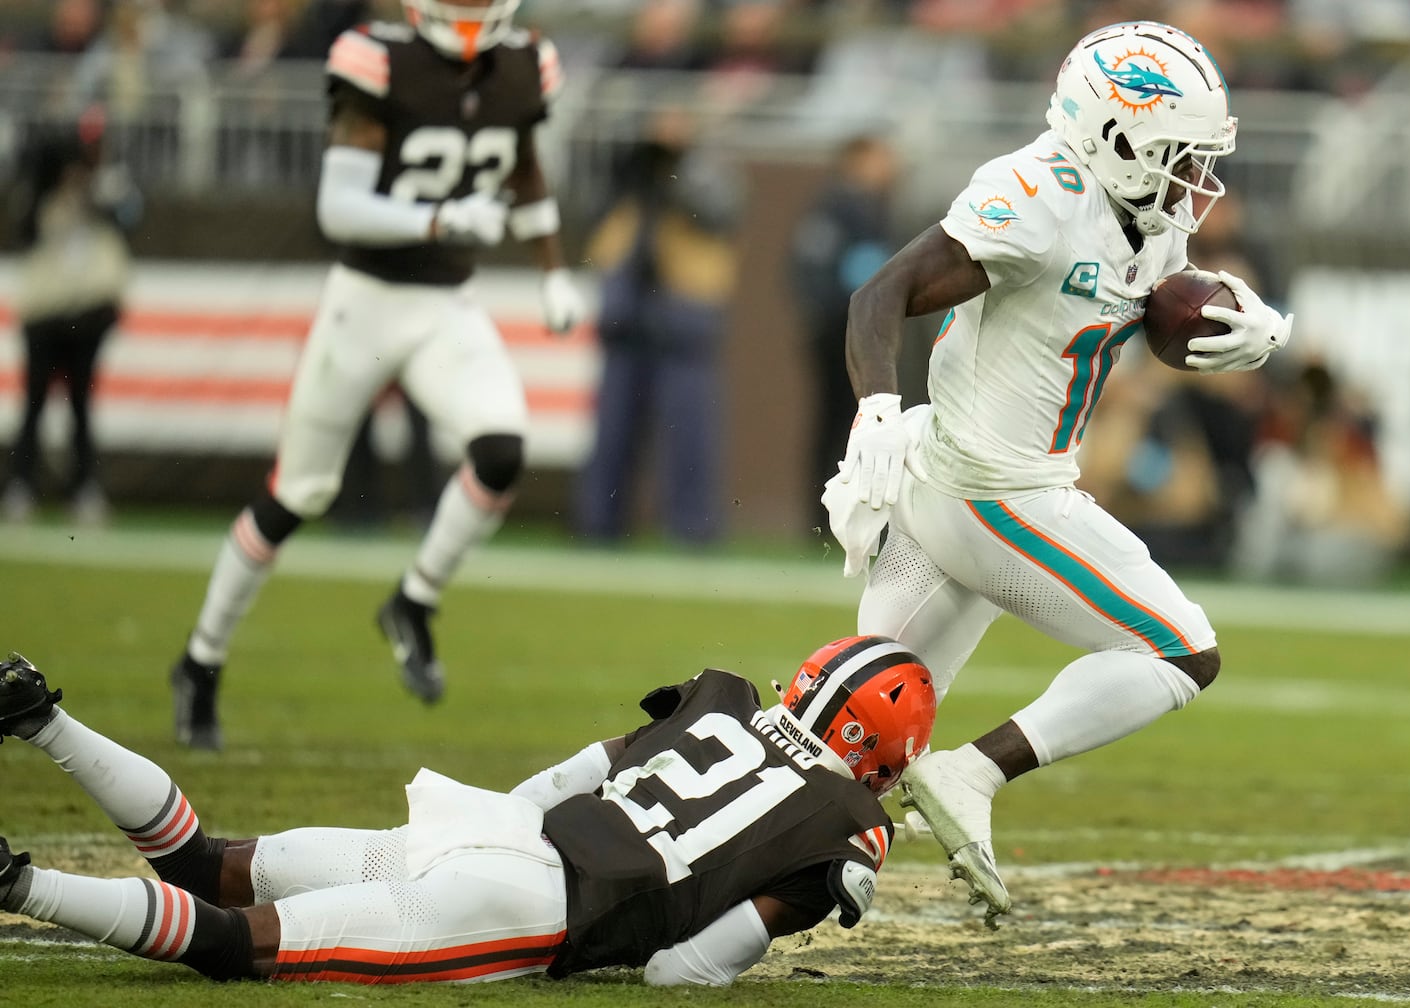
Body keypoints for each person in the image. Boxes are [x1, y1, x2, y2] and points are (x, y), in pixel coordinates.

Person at [822, 22, 1292, 924]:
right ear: (1112, 141)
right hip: (992, 492)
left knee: (859, 738)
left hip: (963, 484)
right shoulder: (1036, 197)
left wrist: (1239, 316)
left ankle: (713, 864)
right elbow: (877, 295)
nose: (1195, 180)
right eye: (1176, 156)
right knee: (1180, 650)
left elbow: (1157, 292)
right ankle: (973, 771)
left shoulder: (1140, 214)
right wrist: (875, 405)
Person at [0, 636, 936, 985]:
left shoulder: (725, 696)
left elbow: (565, 776)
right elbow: (686, 972)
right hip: (527, 909)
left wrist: (493, 837)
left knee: (212, 864)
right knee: (229, 942)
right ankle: (16, 882)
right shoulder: (848, 830)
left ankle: (39, 716)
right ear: (882, 760)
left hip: (493, 832)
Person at [168, 0, 588, 749]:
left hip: (443, 305)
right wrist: (436, 220)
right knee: (300, 493)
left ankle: (414, 601)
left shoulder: (524, 66)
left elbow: (520, 161)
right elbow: (339, 207)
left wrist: (552, 267)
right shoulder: (379, 59)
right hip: (362, 305)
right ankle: (201, 659)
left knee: (500, 450)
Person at [574, 105, 742, 546]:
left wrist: (675, 175)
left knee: (688, 434)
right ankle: (599, 524)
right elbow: (593, 217)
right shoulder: (630, 174)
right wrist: (636, 171)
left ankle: (692, 528)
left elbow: (719, 213)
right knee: (613, 430)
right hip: (628, 312)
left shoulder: (709, 171)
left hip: (683, 316)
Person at [3, 108, 141, 527]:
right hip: (45, 312)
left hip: (86, 312)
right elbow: (22, 229)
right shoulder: (40, 195)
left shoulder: (108, 187)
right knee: (34, 403)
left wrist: (94, 191)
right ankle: (21, 486)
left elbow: (130, 219)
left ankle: (83, 489)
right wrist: (50, 180)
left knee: (81, 405)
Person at [789, 134, 900, 532]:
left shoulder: (863, 206)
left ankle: (835, 517)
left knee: (842, 423)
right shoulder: (842, 207)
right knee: (843, 422)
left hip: (842, 326)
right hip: (842, 329)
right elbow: (819, 272)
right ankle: (826, 517)